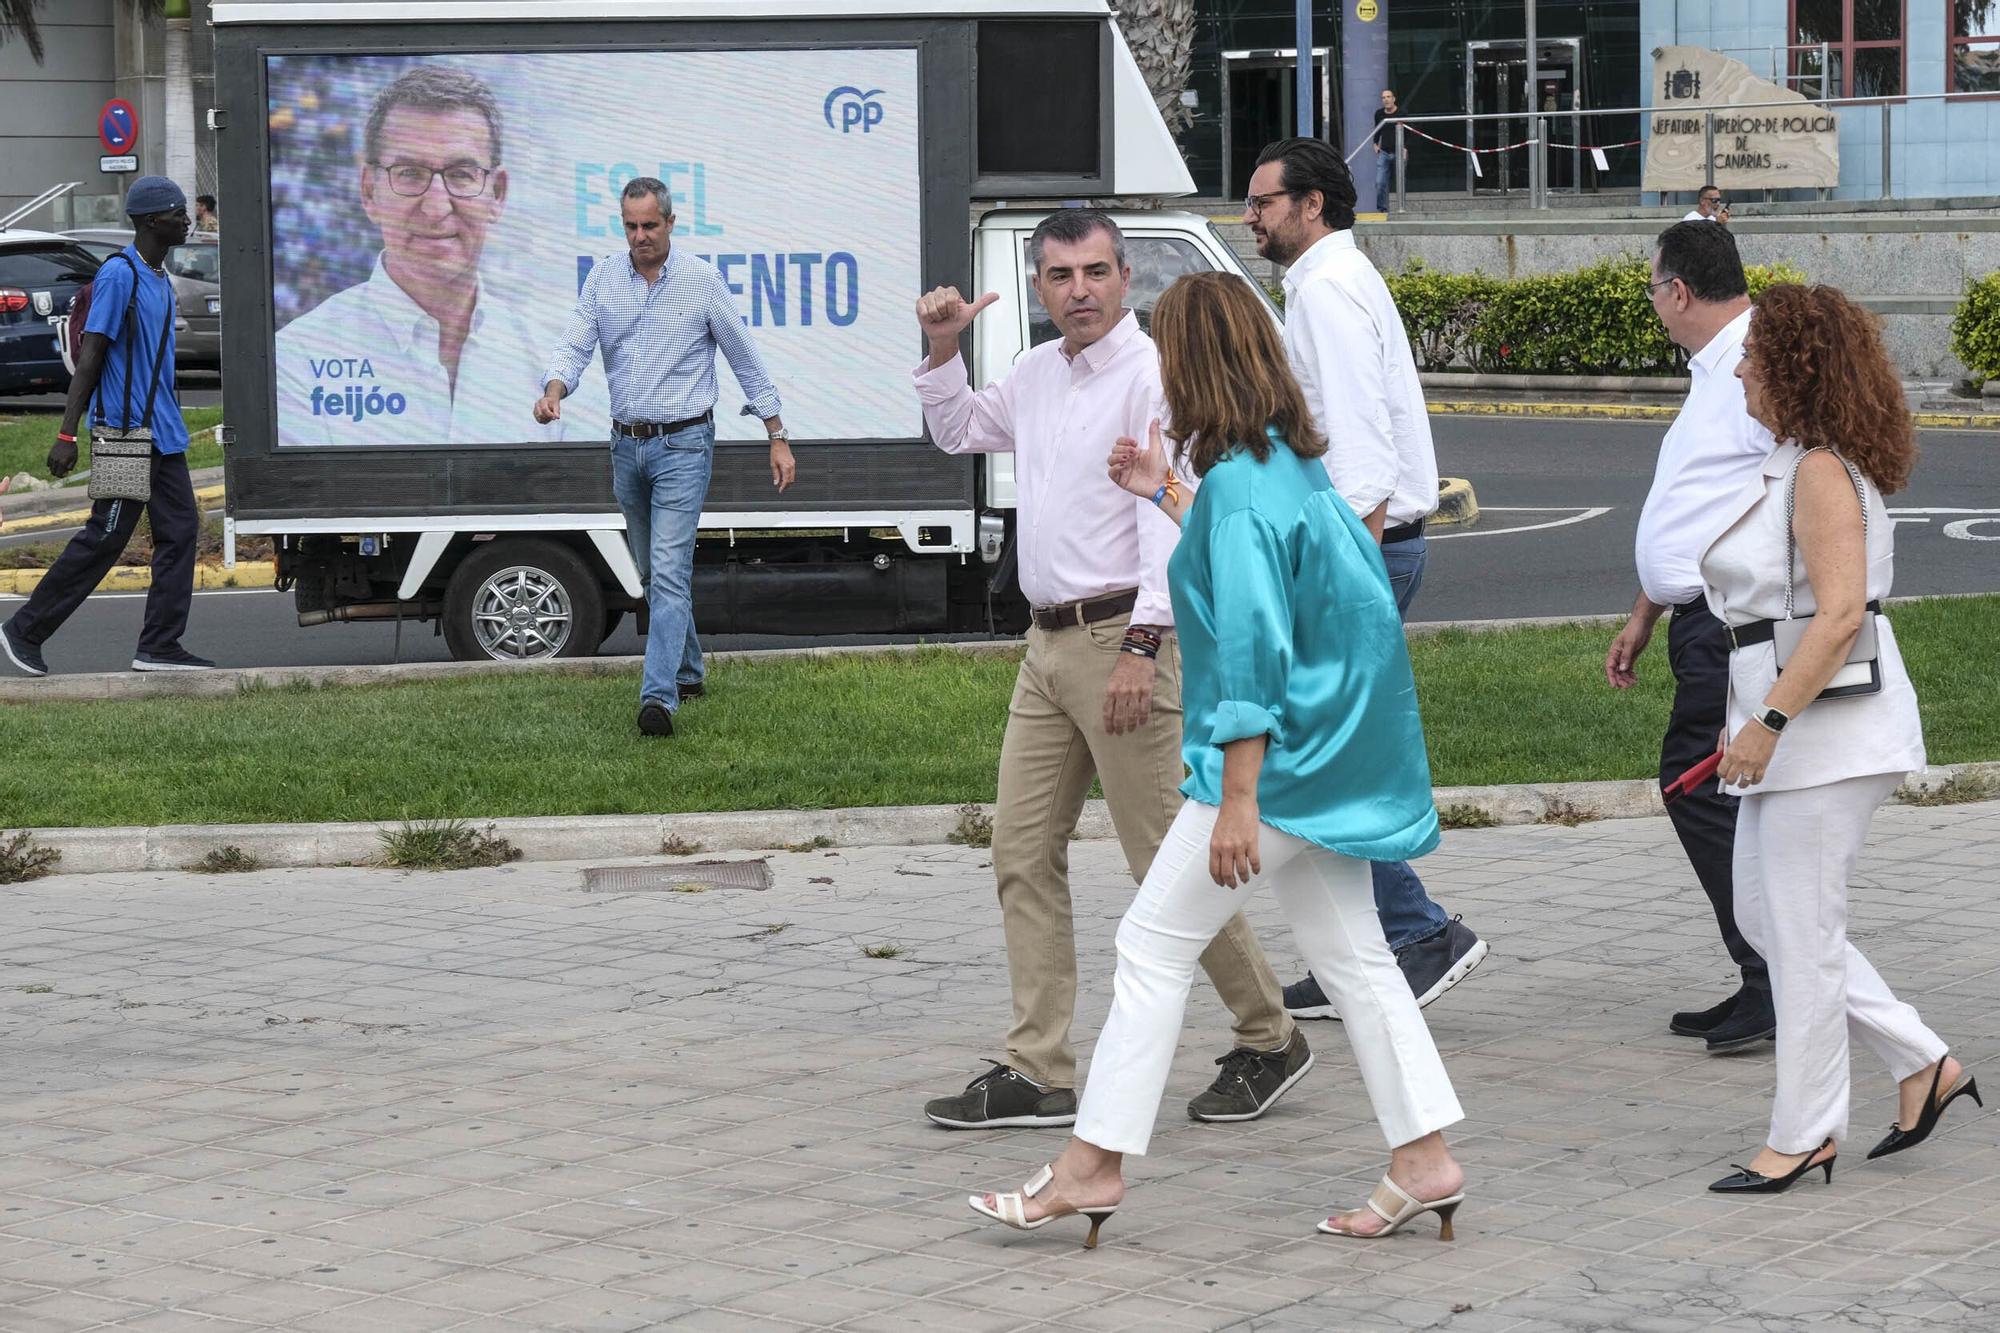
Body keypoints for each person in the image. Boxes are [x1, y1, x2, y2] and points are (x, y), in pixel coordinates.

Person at [968, 271, 1464, 1245]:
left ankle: (1089, 1166)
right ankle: (1423, 1160)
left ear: (1191, 365)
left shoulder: (1239, 488)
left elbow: (1245, 655)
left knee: (1149, 946)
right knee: (1356, 957)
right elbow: (1267, 565)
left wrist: (1237, 800)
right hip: (1328, 756)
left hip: (1275, 768)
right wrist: (1163, 491)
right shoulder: (1283, 463)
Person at [912, 210, 1308, 1132]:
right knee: (1019, 850)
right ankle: (1037, 1068)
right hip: (1047, 648)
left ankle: (1269, 1035)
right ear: (1039, 286)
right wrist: (940, 350)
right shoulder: (1038, 373)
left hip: (1124, 640)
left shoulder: (1151, 376)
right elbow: (960, 430)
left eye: (1095, 272)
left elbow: (1164, 519)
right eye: (1060, 276)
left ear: (1127, 278)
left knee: (1164, 860)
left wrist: (1143, 645)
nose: (1079, 290)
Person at [1701, 283, 1978, 1193]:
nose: (1738, 368)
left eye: (1752, 356)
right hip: (1790, 726)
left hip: (1823, 734)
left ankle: (1805, 1132)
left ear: (1790, 367)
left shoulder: (1821, 468)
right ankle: (1923, 1061)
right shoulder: (1798, 458)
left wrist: (1770, 723)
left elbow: (1840, 612)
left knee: (1802, 931)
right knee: (1766, 917)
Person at [1241, 136, 1487, 1018]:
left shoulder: (1329, 294)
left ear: (1311, 206)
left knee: (1325, 766)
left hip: (1365, 550)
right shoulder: (1331, 283)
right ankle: (1376, 947)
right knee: (1324, 761)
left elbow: (1364, 465)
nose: (1250, 216)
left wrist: (1336, 580)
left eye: (1264, 202)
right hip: (1373, 548)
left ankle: (1416, 934)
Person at [538, 177, 796, 738]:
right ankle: (690, 669)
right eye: (630, 226)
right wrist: (555, 388)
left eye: (649, 226)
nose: (640, 236)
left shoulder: (702, 282)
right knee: (654, 571)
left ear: (671, 223)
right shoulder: (605, 277)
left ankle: (658, 700)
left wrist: (776, 431)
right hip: (625, 445)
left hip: (684, 444)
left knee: (672, 571)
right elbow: (577, 340)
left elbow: (743, 357)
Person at [1608, 221, 1774, 1053]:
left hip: (1735, 621)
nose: (1654, 306)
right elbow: (1700, 501)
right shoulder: (1715, 367)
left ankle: (1771, 976)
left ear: (1678, 290)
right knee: (1707, 790)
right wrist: (1647, 608)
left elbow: (1796, 493)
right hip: (1696, 617)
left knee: (1696, 784)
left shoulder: (1756, 366)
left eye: (1653, 289)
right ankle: (1763, 973)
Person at [275, 64, 608, 446]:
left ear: (497, 194)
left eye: (462, 174)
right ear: (369, 191)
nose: (435, 207)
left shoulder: (559, 360)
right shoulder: (295, 359)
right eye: (409, 173)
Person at [0, 177, 213, 677]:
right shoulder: (121, 276)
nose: (187, 219)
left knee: (181, 531)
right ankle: (24, 629)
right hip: (123, 435)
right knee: (106, 536)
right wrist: (67, 433)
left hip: (163, 435)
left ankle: (159, 645)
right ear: (150, 221)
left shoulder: (159, 278)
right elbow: (92, 354)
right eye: (177, 213)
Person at [1372, 89, 1404, 215]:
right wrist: (1375, 143)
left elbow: (1410, 131)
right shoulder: (1379, 114)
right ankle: (1382, 209)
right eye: (1383, 97)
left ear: (1394, 99)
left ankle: (1401, 208)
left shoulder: (1401, 113)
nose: (1386, 99)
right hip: (1384, 152)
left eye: (1388, 97)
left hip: (1399, 151)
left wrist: (1405, 148)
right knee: (1380, 182)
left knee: (1400, 181)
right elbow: (1377, 129)